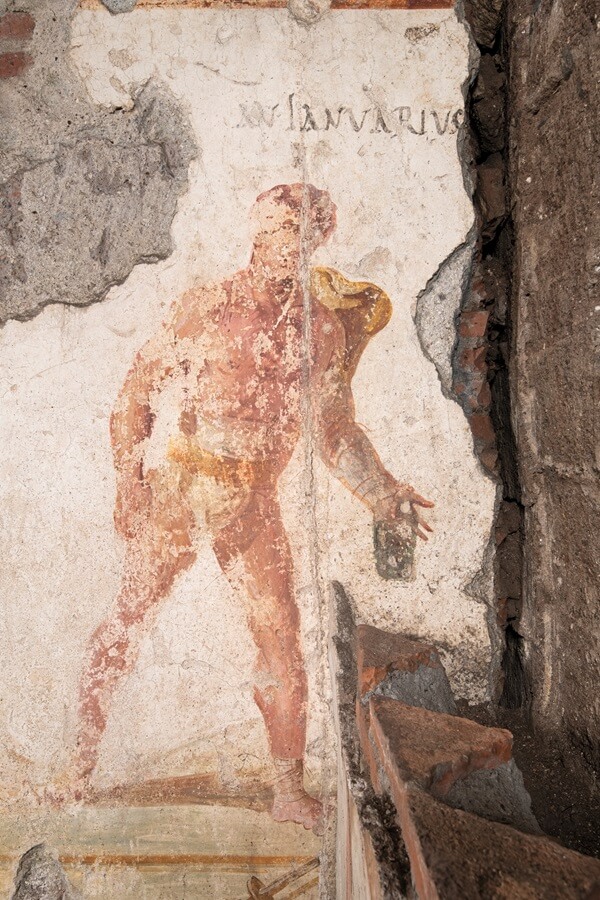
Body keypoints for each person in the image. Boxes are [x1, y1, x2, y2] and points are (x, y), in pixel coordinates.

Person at [68, 183, 433, 830]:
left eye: (290, 235)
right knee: (124, 624)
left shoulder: (319, 329)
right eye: (266, 233)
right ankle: (76, 771)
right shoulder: (208, 306)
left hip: (253, 501)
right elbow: (137, 391)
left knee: (281, 643)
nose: (273, 247)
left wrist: (383, 493)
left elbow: (335, 432)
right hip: (182, 488)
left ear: (315, 240)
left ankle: (288, 793)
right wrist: (130, 480)